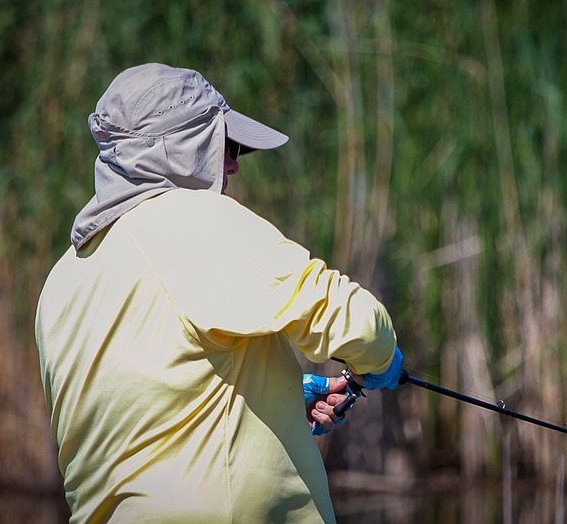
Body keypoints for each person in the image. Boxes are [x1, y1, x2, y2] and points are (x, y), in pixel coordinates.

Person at [35, 63, 405, 523]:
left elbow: (147, 403)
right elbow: (356, 321)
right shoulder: (195, 219)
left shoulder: (62, 280)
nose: (232, 163)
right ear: (178, 150)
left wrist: (282, 396)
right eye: (225, 145)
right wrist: (383, 363)